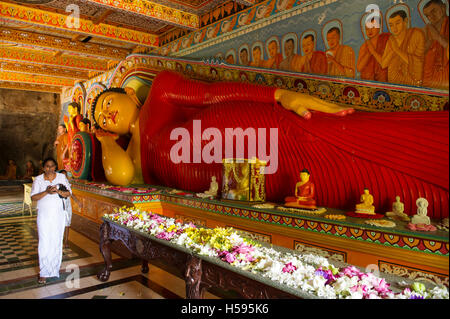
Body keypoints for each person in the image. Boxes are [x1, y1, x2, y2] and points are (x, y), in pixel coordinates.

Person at [91, 70, 448, 220]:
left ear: (127, 94)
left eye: (107, 102)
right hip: (240, 178)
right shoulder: (131, 160)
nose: (105, 113)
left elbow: (211, 94)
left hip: (254, 127)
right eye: (99, 116)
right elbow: (119, 176)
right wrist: (105, 140)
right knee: (331, 187)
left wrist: (281, 96)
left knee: (341, 136)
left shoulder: (159, 92)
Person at [30, 157, 71, 284]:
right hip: (44, 216)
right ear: (43, 168)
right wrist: (46, 192)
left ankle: (54, 270)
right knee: (44, 242)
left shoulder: (61, 178)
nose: (49, 169)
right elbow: (34, 197)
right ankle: (43, 272)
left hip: (58, 215)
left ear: (55, 167)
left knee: (56, 241)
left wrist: (58, 191)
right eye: (47, 166)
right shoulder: (38, 179)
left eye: (52, 166)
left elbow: (68, 193)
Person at [381, 10, 426, 86]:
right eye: (391, 25)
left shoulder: (416, 35)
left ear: (405, 21)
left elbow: (418, 64)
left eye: (397, 23)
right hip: (393, 81)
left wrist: (397, 50)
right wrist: (392, 50)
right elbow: (383, 64)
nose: (394, 28)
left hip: (411, 82)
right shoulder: (391, 40)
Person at [422, 0, 449, 89]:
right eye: (427, 15)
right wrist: (428, 43)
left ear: (444, 8)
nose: (431, 17)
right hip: (430, 79)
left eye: (433, 11)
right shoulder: (427, 31)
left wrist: (438, 37)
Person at [58, 169, 79, 248]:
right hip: (59, 205)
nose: (64, 177)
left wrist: (77, 201)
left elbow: (71, 193)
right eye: (62, 175)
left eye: (65, 175)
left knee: (67, 223)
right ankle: (59, 240)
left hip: (67, 205)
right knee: (59, 224)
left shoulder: (67, 184)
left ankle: (66, 241)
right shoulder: (57, 184)